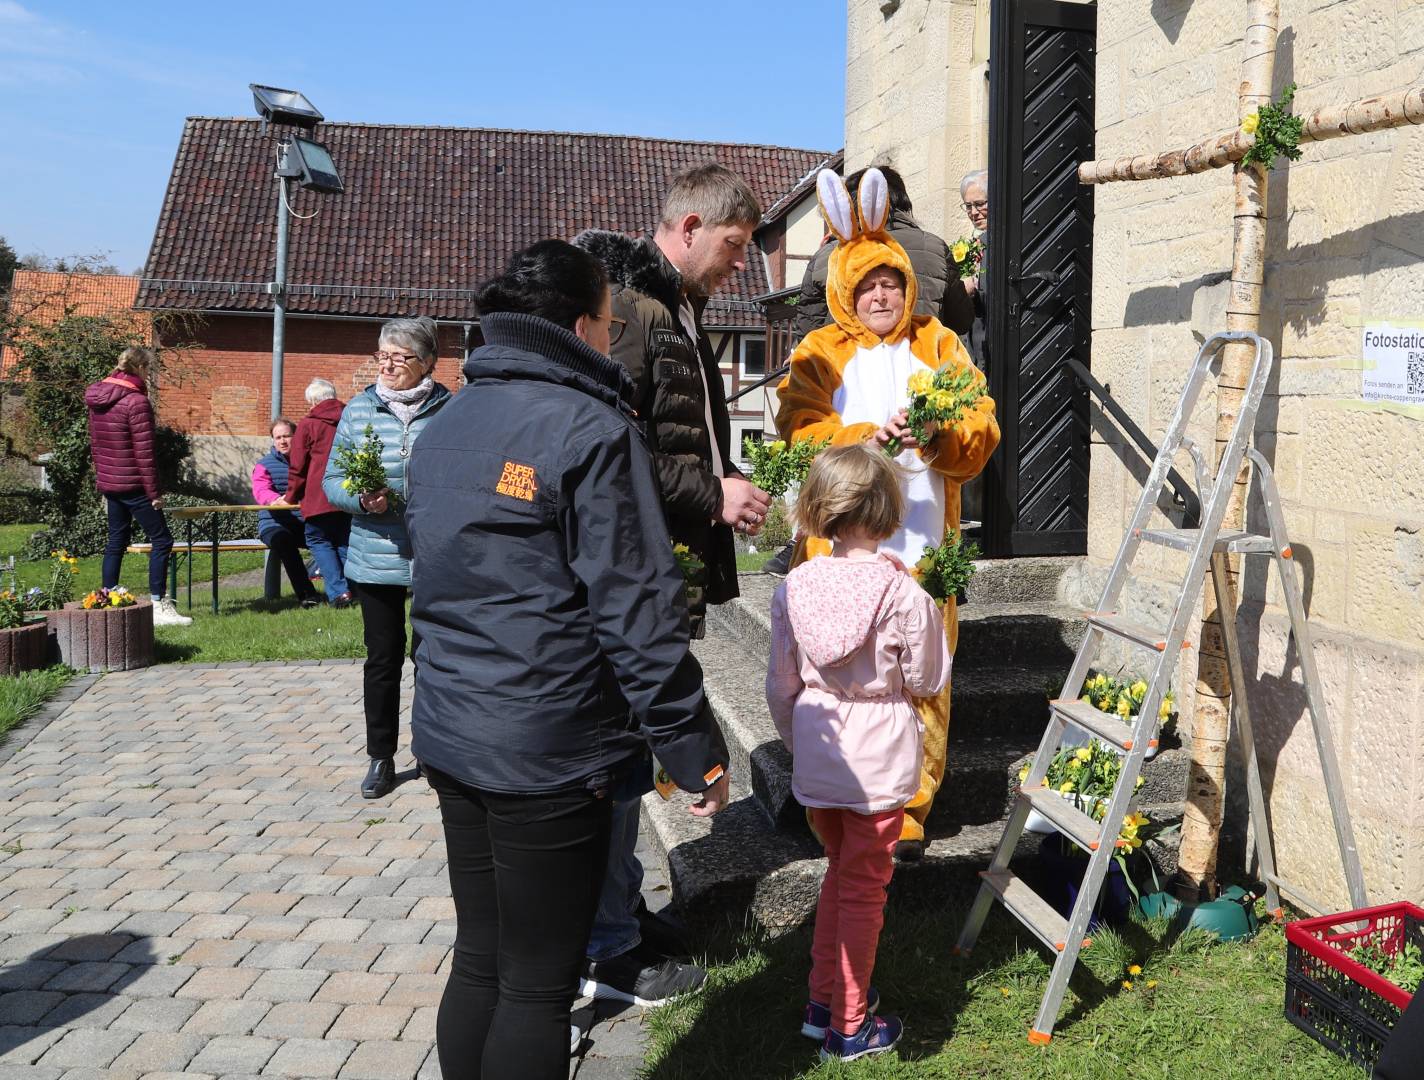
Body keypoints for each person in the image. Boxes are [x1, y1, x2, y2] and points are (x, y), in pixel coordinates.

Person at [405, 239, 730, 1080]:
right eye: (610, 327)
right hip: (546, 750)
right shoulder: (590, 427)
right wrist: (693, 750)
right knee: (536, 984)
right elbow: (639, 612)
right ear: (584, 324)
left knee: (481, 958)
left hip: (453, 729)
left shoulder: (447, 418)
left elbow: (437, 576)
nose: (610, 341)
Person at [574, 163, 769, 1004]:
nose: (740, 266)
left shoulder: (677, 308)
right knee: (616, 765)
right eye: (732, 246)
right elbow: (607, 448)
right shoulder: (634, 311)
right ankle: (608, 951)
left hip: (667, 567)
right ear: (688, 225)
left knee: (627, 761)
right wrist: (712, 493)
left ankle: (621, 914)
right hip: (634, 572)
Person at [776, 168, 999, 862]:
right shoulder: (819, 352)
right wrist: (860, 436)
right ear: (845, 286)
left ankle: (905, 809)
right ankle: (833, 799)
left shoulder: (939, 345)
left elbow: (981, 428)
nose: (881, 295)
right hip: (840, 550)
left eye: (892, 284)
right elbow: (795, 429)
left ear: (909, 287)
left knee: (921, 676)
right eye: (868, 284)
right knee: (838, 675)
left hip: (924, 542)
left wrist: (935, 434)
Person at [766, 443, 950, 1062]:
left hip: (822, 755)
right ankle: (851, 1025)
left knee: (840, 875)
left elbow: (780, 685)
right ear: (887, 506)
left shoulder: (794, 587)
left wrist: (797, 747)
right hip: (877, 761)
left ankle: (823, 1003)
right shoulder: (904, 595)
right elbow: (927, 680)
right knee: (865, 888)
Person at [322, 317, 453, 801]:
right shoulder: (358, 411)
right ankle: (381, 756)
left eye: (401, 356)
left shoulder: (450, 410)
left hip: (435, 552)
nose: (390, 364)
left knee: (433, 656)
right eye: (384, 355)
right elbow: (332, 480)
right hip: (375, 555)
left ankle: (432, 751)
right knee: (383, 659)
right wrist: (361, 500)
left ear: (428, 363)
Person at [793, 165, 974, 341]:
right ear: (903, 200)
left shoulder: (828, 255)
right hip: (922, 364)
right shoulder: (935, 248)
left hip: (845, 366)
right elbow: (960, 321)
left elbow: (808, 328)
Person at [84, 345, 191, 627]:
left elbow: (97, 445)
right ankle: (158, 604)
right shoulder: (136, 402)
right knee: (163, 540)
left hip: (110, 482)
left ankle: (108, 596)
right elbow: (144, 453)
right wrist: (154, 494)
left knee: (116, 540)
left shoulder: (97, 398)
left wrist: (104, 478)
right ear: (141, 369)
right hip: (133, 484)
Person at [286, 379, 352, 610]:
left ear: (313, 401)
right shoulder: (350, 418)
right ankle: (354, 589)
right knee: (344, 542)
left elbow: (298, 465)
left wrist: (291, 495)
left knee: (319, 541)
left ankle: (339, 592)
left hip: (318, 496)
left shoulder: (308, 424)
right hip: (347, 494)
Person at [251, 417, 320, 607]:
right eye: (278, 437)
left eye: (287, 436)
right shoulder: (263, 465)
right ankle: (307, 596)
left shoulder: (310, 463)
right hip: (274, 524)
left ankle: (342, 591)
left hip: (305, 522)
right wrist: (274, 500)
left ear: (296, 437)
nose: (282, 441)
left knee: (330, 539)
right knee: (284, 542)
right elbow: (260, 490)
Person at [960, 169, 990, 372]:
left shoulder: (997, 242)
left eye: (980, 204)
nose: (974, 212)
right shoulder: (974, 244)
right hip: (974, 350)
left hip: (993, 345)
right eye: (968, 206)